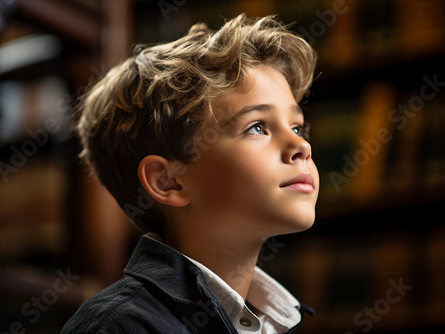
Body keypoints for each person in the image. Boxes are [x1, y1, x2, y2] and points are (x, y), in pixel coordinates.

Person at [62, 13, 319, 334]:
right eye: (257, 127)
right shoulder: (120, 326)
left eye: (297, 126)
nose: (301, 146)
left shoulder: (278, 322)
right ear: (167, 180)